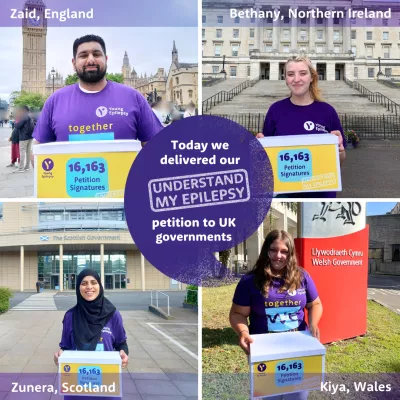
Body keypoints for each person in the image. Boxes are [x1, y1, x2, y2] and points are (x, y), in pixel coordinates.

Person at [229, 230, 322, 400]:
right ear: (266, 250)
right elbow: (237, 313)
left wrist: (314, 324)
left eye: (284, 251)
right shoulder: (250, 281)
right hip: (265, 354)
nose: (278, 256)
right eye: (273, 250)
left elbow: (315, 304)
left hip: (298, 352)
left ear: (290, 253)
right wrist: (243, 333)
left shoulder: (303, 277)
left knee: (297, 396)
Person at [33, 34, 162, 145]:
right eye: (83, 55)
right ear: (74, 63)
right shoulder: (55, 101)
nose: (90, 60)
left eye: (96, 54)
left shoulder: (133, 97)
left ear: (106, 60)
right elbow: (38, 151)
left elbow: (156, 146)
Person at [256, 56, 346, 198]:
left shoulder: (328, 111)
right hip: (285, 194)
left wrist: (339, 151)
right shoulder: (275, 110)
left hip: (320, 194)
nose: (296, 79)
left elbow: (338, 163)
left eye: (303, 73)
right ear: (285, 79)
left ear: (312, 77)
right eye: (291, 74)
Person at [54, 269, 129, 399]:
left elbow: (121, 343)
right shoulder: (70, 316)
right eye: (84, 283)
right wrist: (59, 355)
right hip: (76, 389)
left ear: (99, 285)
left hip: (107, 388)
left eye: (93, 282)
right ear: (78, 288)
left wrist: (124, 353)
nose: (89, 287)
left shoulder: (113, 315)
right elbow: (65, 346)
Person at [13, 105, 34, 173]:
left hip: (24, 137)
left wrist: (15, 122)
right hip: (30, 136)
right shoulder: (30, 116)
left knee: (22, 151)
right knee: (28, 151)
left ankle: (21, 168)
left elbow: (17, 126)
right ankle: (27, 167)